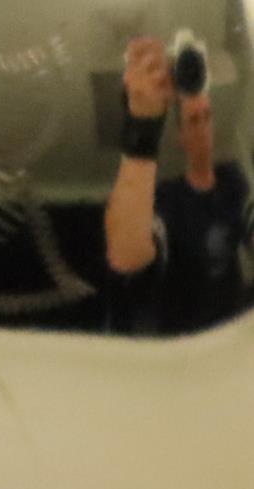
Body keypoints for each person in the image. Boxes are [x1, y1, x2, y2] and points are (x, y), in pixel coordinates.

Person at [104, 35, 253, 335]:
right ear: (180, 137)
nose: (203, 128)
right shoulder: (168, 196)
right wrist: (142, 128)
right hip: (183, 342)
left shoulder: (232, 180)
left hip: (234, 335)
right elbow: (126, 256)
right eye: (193, 121)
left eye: (206, 117)